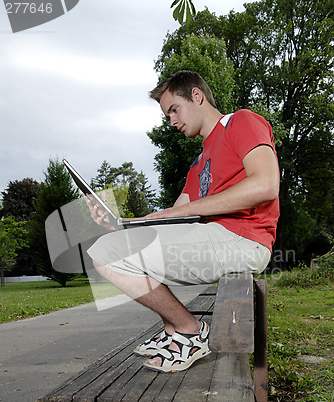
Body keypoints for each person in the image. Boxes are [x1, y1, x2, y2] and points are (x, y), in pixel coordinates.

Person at [86, 70, 280, 373]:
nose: (172, 121)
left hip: (245, 239)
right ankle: (174, 330)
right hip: (216, 238)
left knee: (107, 253)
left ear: (196, 96)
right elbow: (171, 220)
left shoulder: (240, 122)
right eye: (167, 115)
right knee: (111, 249)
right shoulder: (199, 164)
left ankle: (189, 331)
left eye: (174, 109)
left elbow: (266, 184)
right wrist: (118, 223)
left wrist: (176, 214)